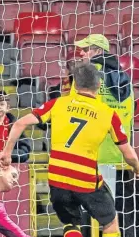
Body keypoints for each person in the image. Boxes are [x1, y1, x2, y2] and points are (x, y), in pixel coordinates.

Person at [0, 63, 139, 237]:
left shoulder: (58, 103)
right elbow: (127, 152)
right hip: (85, 179)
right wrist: (138, 169)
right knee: (110, 224)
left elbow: (19, 123)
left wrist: (8, 152)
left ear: (75, 84)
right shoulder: (108, 114)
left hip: (57, 177)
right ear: (99, 85)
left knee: (70, 222)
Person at [50, 34, 134, 166]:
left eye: (86, 49)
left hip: (89, 154)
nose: (81, 53)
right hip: (117, 155)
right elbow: (130, 116)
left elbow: (73, 111)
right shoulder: (126, 80)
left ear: (99, 51)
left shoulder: (85, 75)